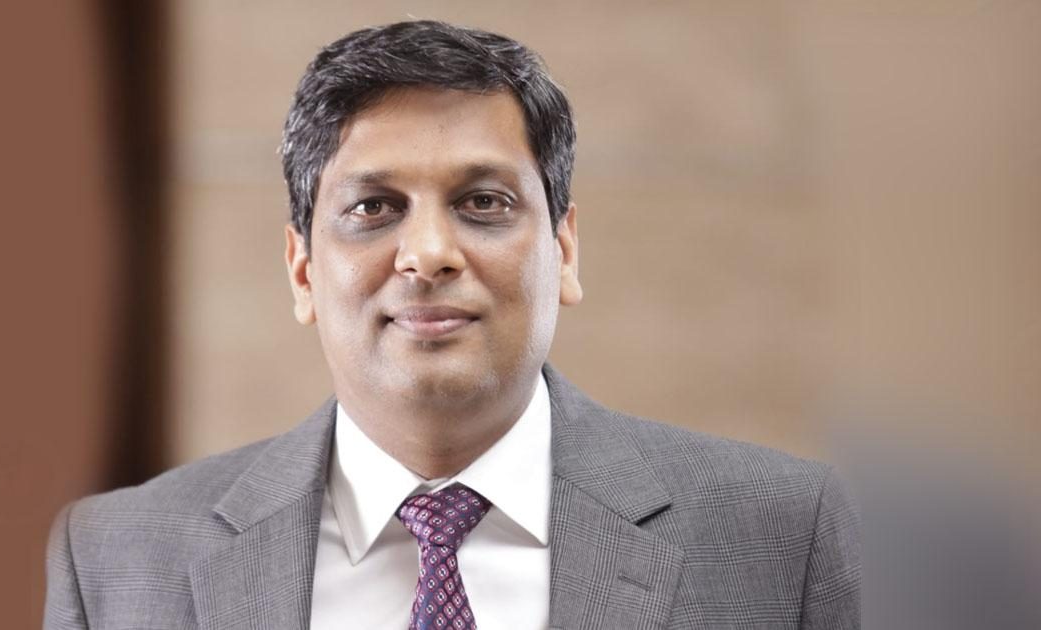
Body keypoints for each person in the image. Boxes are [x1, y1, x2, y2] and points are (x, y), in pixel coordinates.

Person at [44, 20, 860, 630]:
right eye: (374, 208)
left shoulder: (779, 539)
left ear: (564, 250)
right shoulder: (116, 562)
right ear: (302, 270)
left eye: (483, 202)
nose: (429, 253)